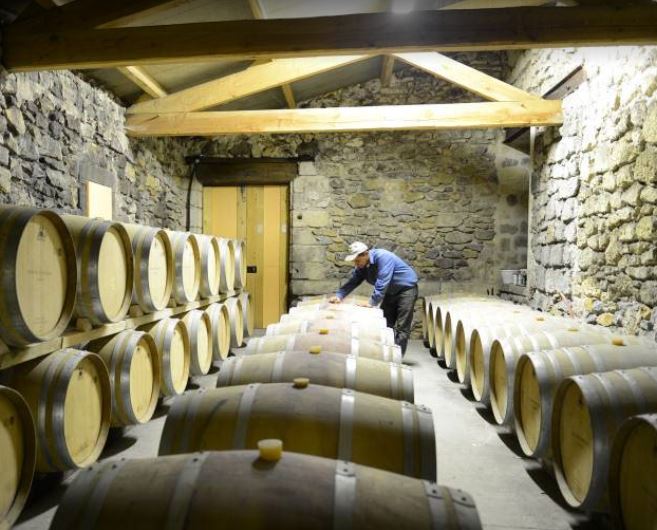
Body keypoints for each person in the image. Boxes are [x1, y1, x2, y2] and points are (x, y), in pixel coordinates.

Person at [329, 241, 418, 356]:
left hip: (406, 290)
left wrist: (372, 302)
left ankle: (397, 359)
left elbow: (383, 281)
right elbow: (353, 281)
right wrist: (339, 295)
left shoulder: (383, 257)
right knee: (386, 324)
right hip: (391, 292)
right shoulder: (362, 266)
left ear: (365, 254)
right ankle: (385, 356)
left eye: (357, 260)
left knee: (402, 327)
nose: (356, 264)